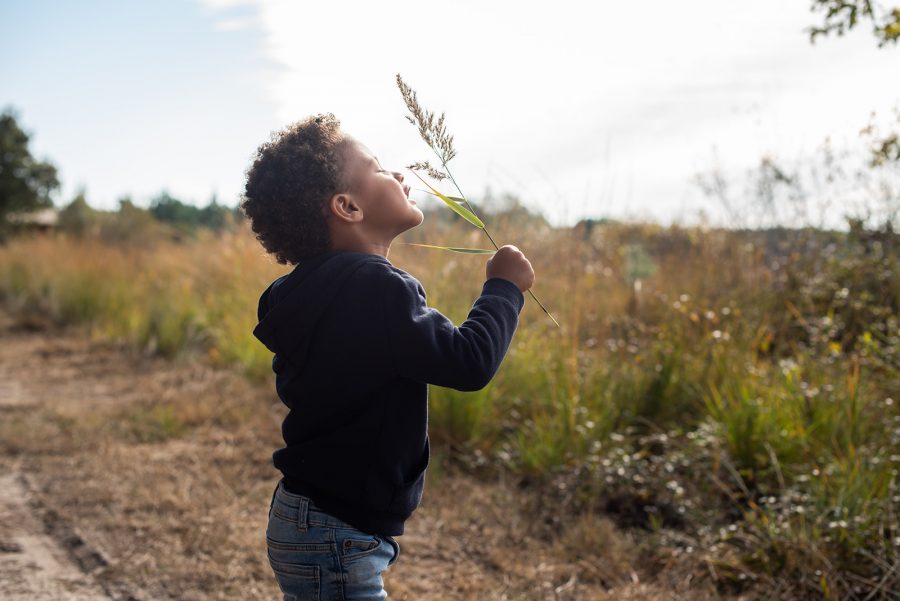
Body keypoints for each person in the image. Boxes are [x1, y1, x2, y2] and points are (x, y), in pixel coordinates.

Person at [241, 113, 534, 600]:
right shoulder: (376, 287)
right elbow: (468, 362)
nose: (398, 174)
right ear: (348, 206)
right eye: (378, 168)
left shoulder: (300, 293)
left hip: (307, 516)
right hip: (337, 529)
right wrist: (504, 288)